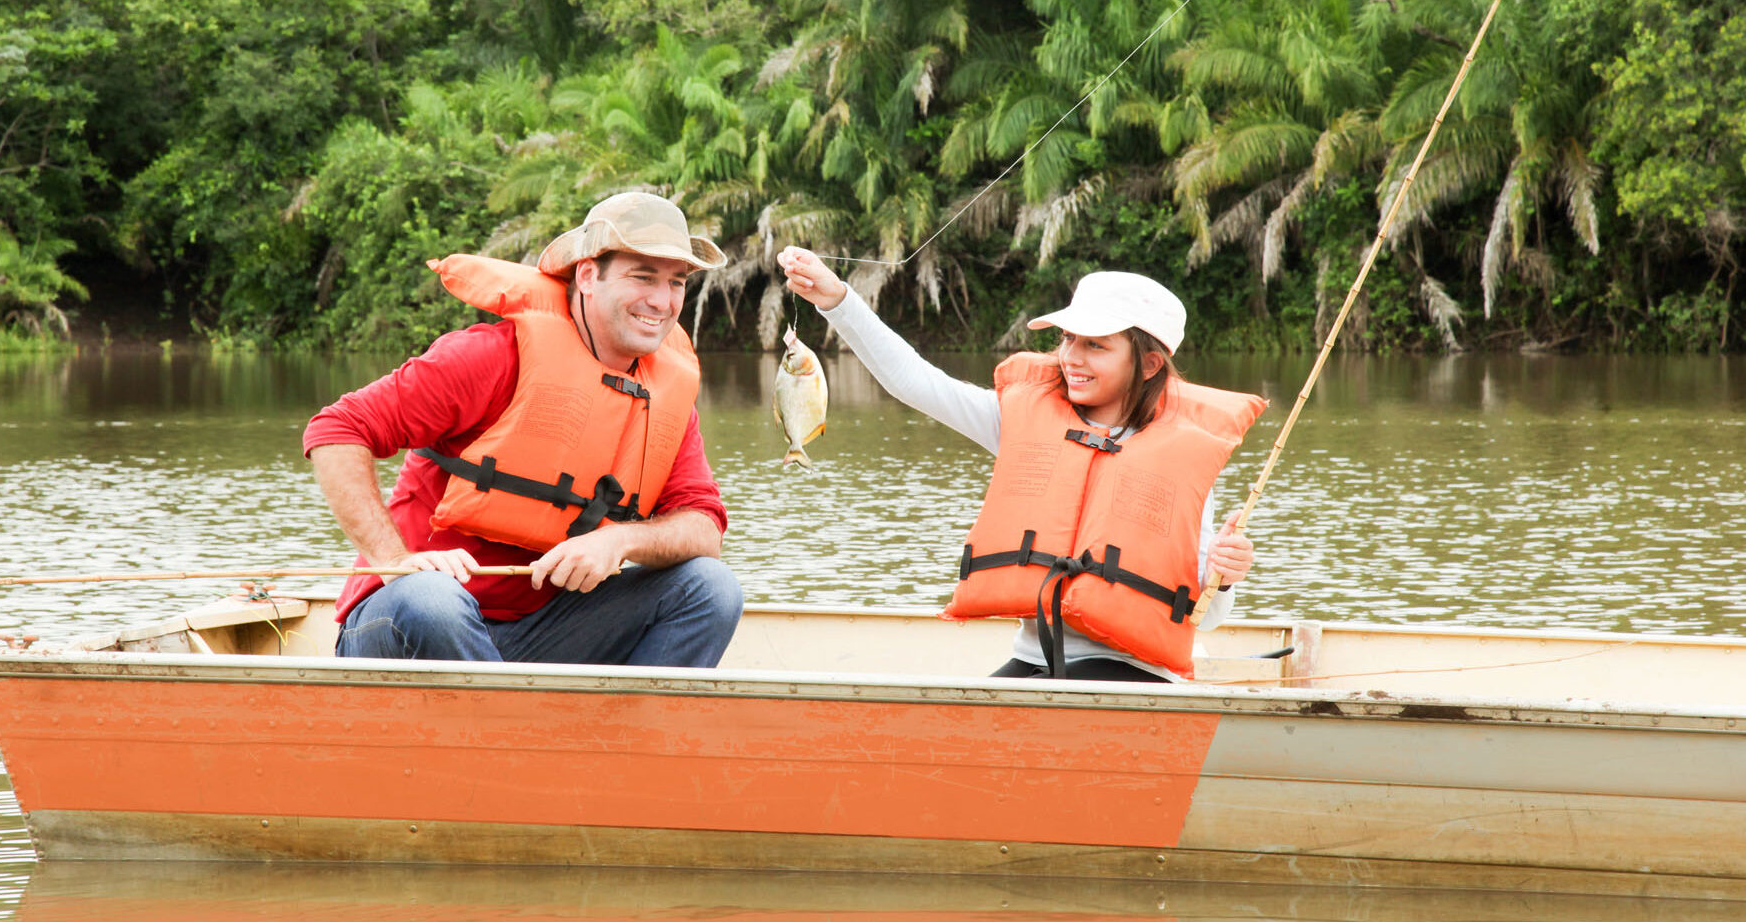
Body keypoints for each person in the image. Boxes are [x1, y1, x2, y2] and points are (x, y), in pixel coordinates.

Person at [777, 246, 1264, 682]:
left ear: (1150, 364)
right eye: (1068, 339)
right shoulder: (1020, 420)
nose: (1071, 357)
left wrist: (1226, 577)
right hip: (1034, 661)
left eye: (1096, 345)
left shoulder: (1178, 458)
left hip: (1133, 671)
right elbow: (912, 381)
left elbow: (1211, 615)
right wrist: (836, 299)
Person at [304, 193, 744, 667]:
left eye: (676, 283)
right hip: (411, 617)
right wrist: (395, 561)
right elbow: (335, 429)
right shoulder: (489, 357)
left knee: (711, 588)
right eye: (642, 277)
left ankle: (615, 741)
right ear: (589, 276)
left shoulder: (664, 398)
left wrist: (620, 540)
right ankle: (515, 731)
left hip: (543, 633)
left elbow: (703, 527)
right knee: (433, 600)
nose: (661, 301)